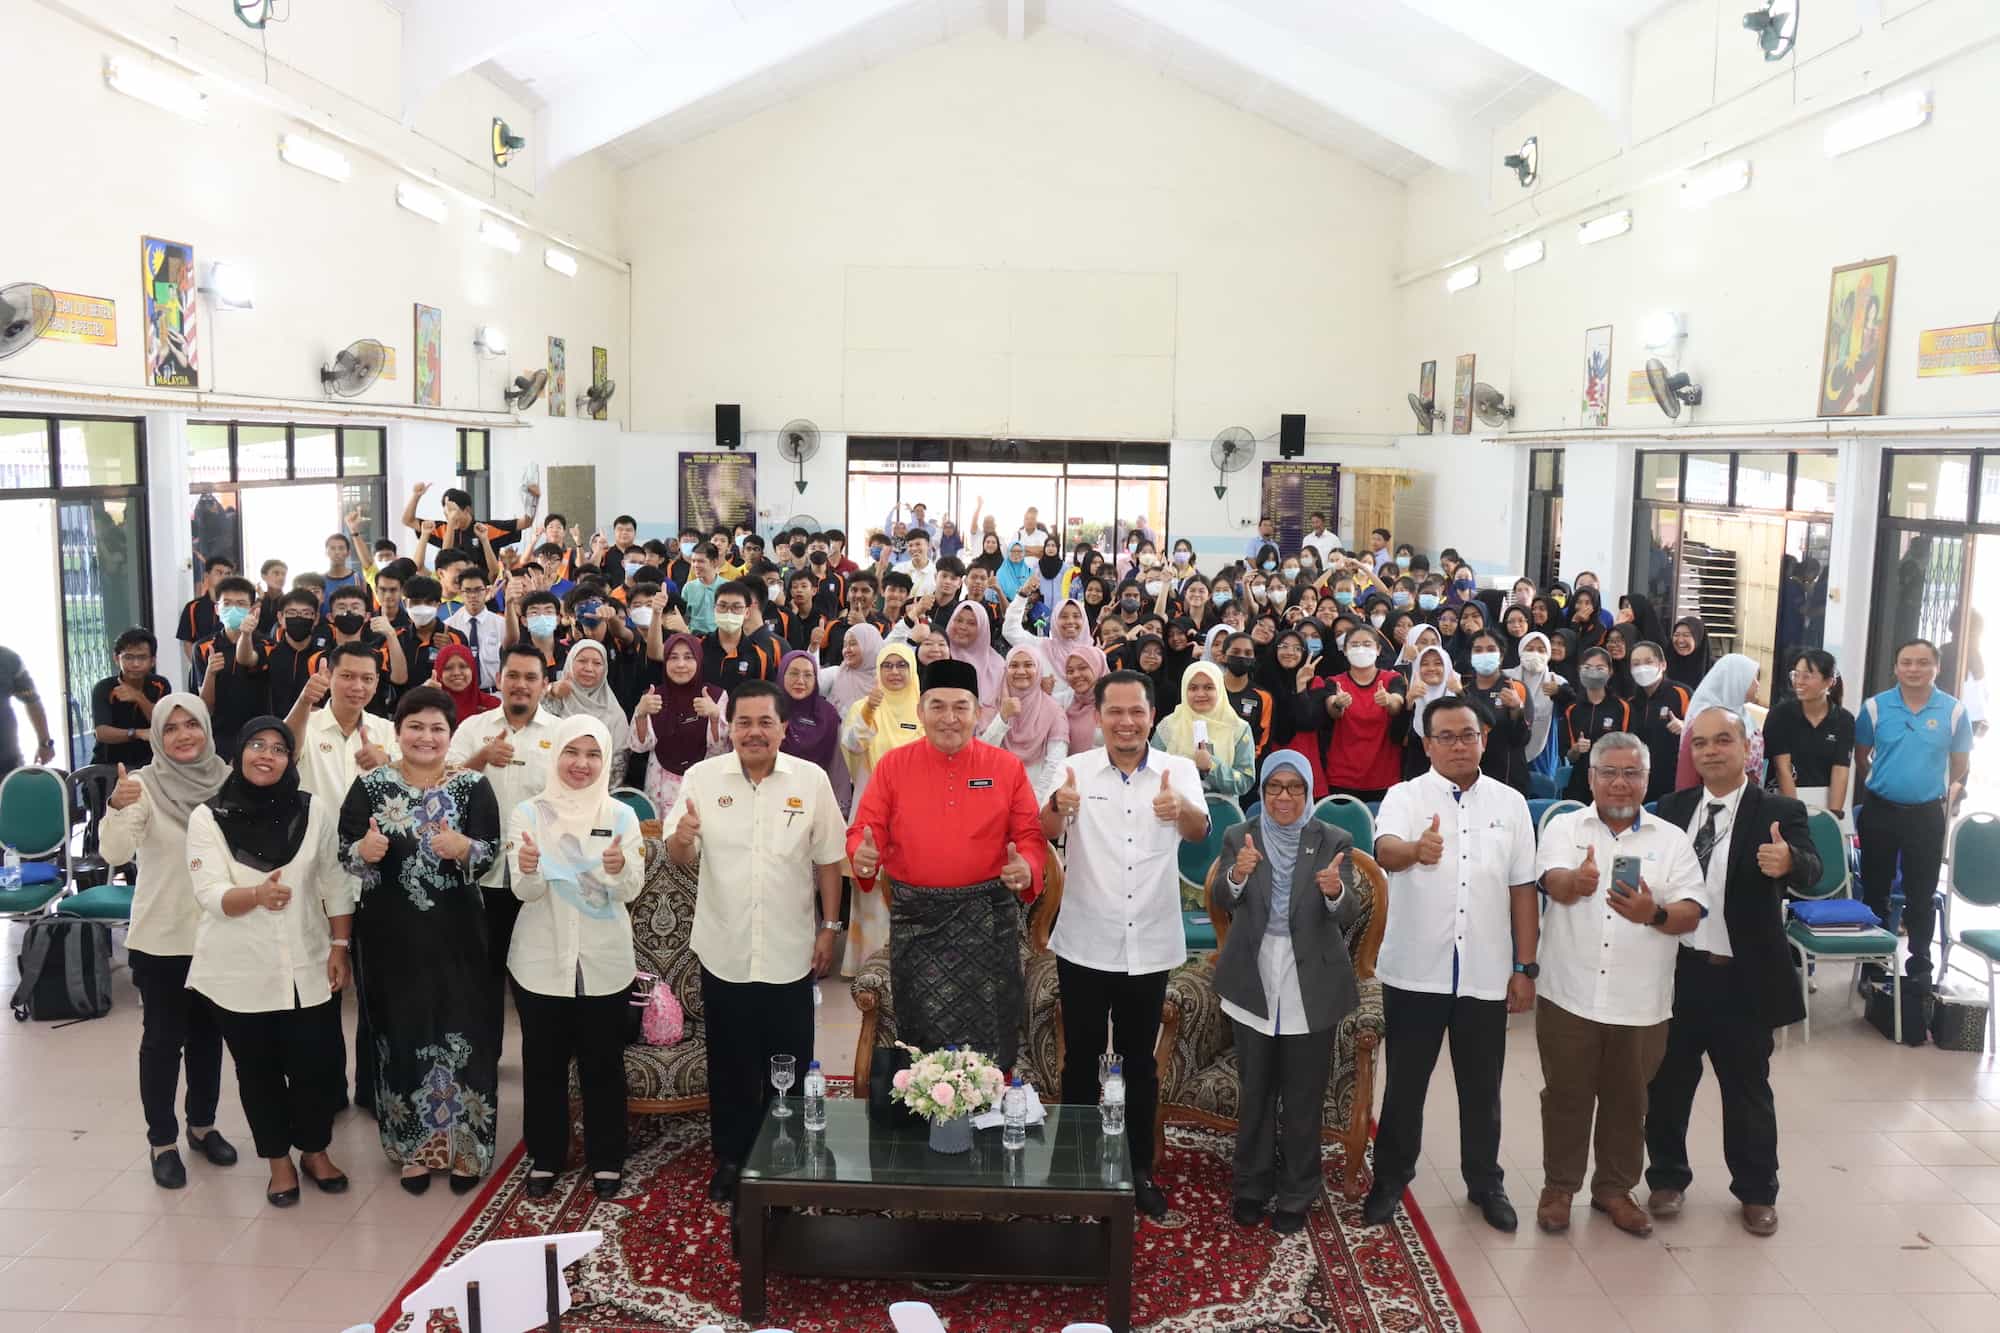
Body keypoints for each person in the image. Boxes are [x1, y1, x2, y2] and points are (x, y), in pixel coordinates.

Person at [1365, 695, 1539, 1233]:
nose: (1459, 745)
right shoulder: (1404, 796)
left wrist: (1525, 968)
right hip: (1416, 969)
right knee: (1405, 1085)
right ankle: (1390, 1179)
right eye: (1446, 736)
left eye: (1468, 734)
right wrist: (1415, 851)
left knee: (1482, 1087)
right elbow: (1385, 850)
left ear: (1484, 739)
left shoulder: (1511, 804)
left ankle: (1485, 1182)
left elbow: (1523, 889)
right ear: (1427, 744)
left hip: (1485, 969)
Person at [668, 679, 846, 1203]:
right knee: (730, 1062)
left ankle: (787, 1153)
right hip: (725, 948)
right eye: (743, 722)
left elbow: (829, 859)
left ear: (784, 728)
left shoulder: (810, 781)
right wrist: (682, 837)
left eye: (765, 722)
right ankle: (733, 1157)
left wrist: (829, 928)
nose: (754, 732)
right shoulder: (702, 779)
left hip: (791, 949)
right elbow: (679, 852)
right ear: (729, 728)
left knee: (788, 1060)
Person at [1042, 669, 1209, 1220]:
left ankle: (1138, 1171)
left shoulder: (1178, 769)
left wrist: (1180, 810)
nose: (1126, 722)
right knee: (1080, 1061)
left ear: (1152, 716)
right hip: (1085, 941)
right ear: (1099, 716)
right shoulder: (1075, 769)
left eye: (1136, 711)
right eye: (1114, 711)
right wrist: (1058, 806)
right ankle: (1073, 1165)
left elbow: (1199, 831)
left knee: (1139, 1064)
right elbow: (1045, 830)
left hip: (1150, 942)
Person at [1646, 708, 1818, 1237]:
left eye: (1723, 740)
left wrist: (1790, 862)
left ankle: (1757, 1191)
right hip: (1678, 972)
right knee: (1667, 1084)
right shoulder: (1672, 809)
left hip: (1742, 978)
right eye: (1700, 743)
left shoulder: (1780, 810)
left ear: (1747, 748)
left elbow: (1813, 871)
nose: (1711, 751)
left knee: (1747, 1090)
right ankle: (1667, 1178)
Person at [1531, 732, 1708, 1237]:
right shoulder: (1564, 827)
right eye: (1609, 772)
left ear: (1647, 780)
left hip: (1641, 999)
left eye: (1631, 773)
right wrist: (1575, 884)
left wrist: (1654, 912)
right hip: (1569, 993)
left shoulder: (1671, 840)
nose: (1619, 783)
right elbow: (1550, 880)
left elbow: (1692, 910)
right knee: (1565, 1095)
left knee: (1629, 1101)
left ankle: (1614, 1188)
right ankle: (1560, 1187)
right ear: (1591, 778)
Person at [340, 685, 502, 1194]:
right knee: (401, 1036)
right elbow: (344, 851)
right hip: (391, 938)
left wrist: (466, 847)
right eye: (415, 726)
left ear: (450, 735)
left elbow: (491, 850)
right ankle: (412, 1149)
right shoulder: (370, 787)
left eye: (437, 728)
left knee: (464, 1035)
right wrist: (363, 851)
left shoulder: (473, 786)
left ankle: (467, 1149)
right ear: (398, 731)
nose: (426, 737)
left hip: (459, 936)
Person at [847, 658, 1048, 1069]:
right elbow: (865, 830)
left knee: (991, 1044)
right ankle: (926, 1102)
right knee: (921, 1045)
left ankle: (988, 1103)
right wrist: (862, 856)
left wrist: (1027, 865)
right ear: (920, 712)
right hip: (917, 921)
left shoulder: (1005, 767)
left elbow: (1029, 835)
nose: (949, 718)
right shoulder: (893, 766)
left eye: (960, 707)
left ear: (978, 713)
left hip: (988, 921)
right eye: (937, 706)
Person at [186, 716, 352, 1207]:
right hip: (239, 969)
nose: (267, 756)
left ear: (289, 759)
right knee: (257, 1072)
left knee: (314, 1067)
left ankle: (315, 1151)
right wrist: (256, 895)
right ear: (238, 752)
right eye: (256, 745)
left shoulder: (312, 809)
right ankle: (279, 1162)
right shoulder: (208, 817)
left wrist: (340, 945)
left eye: (279, 749)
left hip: (308, 961)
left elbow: (334, 879)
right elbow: (210, 894)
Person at [1213, 751, 1363, 1234]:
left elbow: (1349, 912)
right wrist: (1237, 875)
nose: (1283, 797)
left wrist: (1334, 891)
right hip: (1253, 975)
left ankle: (1297, 1193)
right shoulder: (1239, 835)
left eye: (1294, 787)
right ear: (1262, 791)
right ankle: (1250, 1187)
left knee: (1303, 1096)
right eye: (1274, 787)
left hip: (1311, 980)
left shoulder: (1333, 839)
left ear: (1308, 791)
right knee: (1256, 1091)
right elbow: (1220, 899)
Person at [506, 715, 646, 1201]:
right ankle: (546, 1156)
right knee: (542, 1064)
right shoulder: (528, 813)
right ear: (556, 754)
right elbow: (523, 891)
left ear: (605, 761)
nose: (581, 764)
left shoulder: (622, 815)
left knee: (602, 1064)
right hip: (539, 960)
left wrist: (618, 868)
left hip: (605, 961)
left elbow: (631, 890)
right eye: (572, 751)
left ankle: (607, 1159)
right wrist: (528, 869)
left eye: (592, 755)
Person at [100, 695, 237, 1189]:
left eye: (191, 725)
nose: (183, 735)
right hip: (162, 938)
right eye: (172, 728)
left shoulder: (229, 781)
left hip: (219, 934)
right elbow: (115, 851)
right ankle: (162, 1141)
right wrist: (117, 808)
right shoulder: (142, 786)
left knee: (208, 1038)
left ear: (206, 729)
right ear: (158, 735)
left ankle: (202, 1126)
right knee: (162, 1043)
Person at [447, 643, 560, 1051]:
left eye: (531, 677)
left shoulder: (560, 734)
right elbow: (443, 786)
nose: (520, 685)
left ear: (544, 685)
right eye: (513, 675)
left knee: (536, 975)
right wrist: (482, 757)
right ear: (499, 679)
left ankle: (543, 1059)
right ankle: (485, 1061)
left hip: (539, 876)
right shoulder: (472, 728)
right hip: (483, 876)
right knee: (483, 976)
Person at [1854, 637, 1974, 993]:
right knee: (1875, 890)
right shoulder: (1875, 707)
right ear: (1895, 668)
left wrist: (1930, 788)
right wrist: (1886, 782)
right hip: (1879, 810)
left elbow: (1960, 764)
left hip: (1926, 815)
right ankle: (1872, 967)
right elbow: (1862, 756)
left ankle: (1920, 967)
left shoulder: (1954, 711)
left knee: (1921, 894)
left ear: (1937, 668)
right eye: (1906, 662)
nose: (1914, 669)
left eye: (1923, 663)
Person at [1309, 626, 1407, 801]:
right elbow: (1332, 709)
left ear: (1378, 649)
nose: (1361, 649)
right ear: (1345, 651)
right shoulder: (1334, 682)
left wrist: (1388, 700)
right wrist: (1338, 703)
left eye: (1367, 644)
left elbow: (1397, 704)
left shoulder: (1392, 679)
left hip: (1384, 776)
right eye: (1354, 645)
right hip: (1342, 777)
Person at [1765, 648, 1854, 822]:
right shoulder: (1781, 714)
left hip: (1823, 800)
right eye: (1795, 675)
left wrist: (1833, 816)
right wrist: (1795, 815)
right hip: (1785, 801)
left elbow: (1840, 770)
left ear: (1829, 681)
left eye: (1807, 676)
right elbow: (1783, 768)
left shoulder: (1844, 720)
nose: (1799, 681)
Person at [1149, 660, 1254, 799]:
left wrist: (1212, 766)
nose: (1200, 694)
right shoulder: (1169, 726)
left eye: (1209, 687)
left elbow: (1245, 782)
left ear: (1220, 689)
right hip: (1174, 807)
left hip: (1221, 808)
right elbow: (1151, 772)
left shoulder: (1238, 729)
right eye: (1193, 688)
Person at [984, 644, 1070, 802]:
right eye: (1014, 665)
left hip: (1036, 797)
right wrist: (1002, 718)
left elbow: (1055, 764)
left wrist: (1033, 802)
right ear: (1006, 670)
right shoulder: (993, 704)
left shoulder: (1053, 711)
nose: (1021, 671)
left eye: (1029, 665)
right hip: (994, 796)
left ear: (1038, 669)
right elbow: (982, 753)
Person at [1673, 653, 1765, 790]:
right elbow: (1687, 780)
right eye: (1752, 679)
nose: (1757, 685)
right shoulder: (1702, 722)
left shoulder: (1746, 717)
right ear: (1736, 681)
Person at [91, 628, 172, 770]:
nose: (135, 664)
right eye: (128, 657)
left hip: (150, 765)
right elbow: (102, 733)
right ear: (117, 659)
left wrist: (139, 697)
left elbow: (163, 724)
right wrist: (137, 733)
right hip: (108, 765)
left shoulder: (161, 685)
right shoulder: (104, 688)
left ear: (152, 661)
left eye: (142, 658)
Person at [778, 648, 848, 808]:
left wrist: (838, 806)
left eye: (808, 675)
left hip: (814, 799)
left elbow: (837, 767)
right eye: (794, 673)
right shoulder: (769, 709)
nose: (800, 681)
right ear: (782, 674)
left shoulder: (827, 715)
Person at [1560, 647, 1629, 800]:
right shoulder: (1572, 709)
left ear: (1610, 671)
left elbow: (1631, 749)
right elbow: (1569, 756)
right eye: (1587, 667)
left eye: (1600, 668)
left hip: (1612, 782)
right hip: (1579, 785)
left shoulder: (1622, 707)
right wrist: (1576, 749)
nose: (1593, 672)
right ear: (1580, 670)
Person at [1627, 640, 1691, 802]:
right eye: (1636, 664)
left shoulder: (1681, 693)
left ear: (1663, 665)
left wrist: (1685, 727)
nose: (1642, 668)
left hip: (1675, 782)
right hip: (1640, 783)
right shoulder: (1631, 703)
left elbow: (1704, 729)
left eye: (1648, 662)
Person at [445, 566, 506, 689]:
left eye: (478, 590)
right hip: (461, 693)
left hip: (494, 693)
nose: (473, 595)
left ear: (486, 591)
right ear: (460, 592)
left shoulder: (501, 624)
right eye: (467, 591)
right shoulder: (449, 626)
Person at [433, 643, 498, 724]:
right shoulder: (429, 706)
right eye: (448, 668)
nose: (456, 673)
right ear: (439, 673)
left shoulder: (492, 706)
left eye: (463, 666)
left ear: (472, 670)